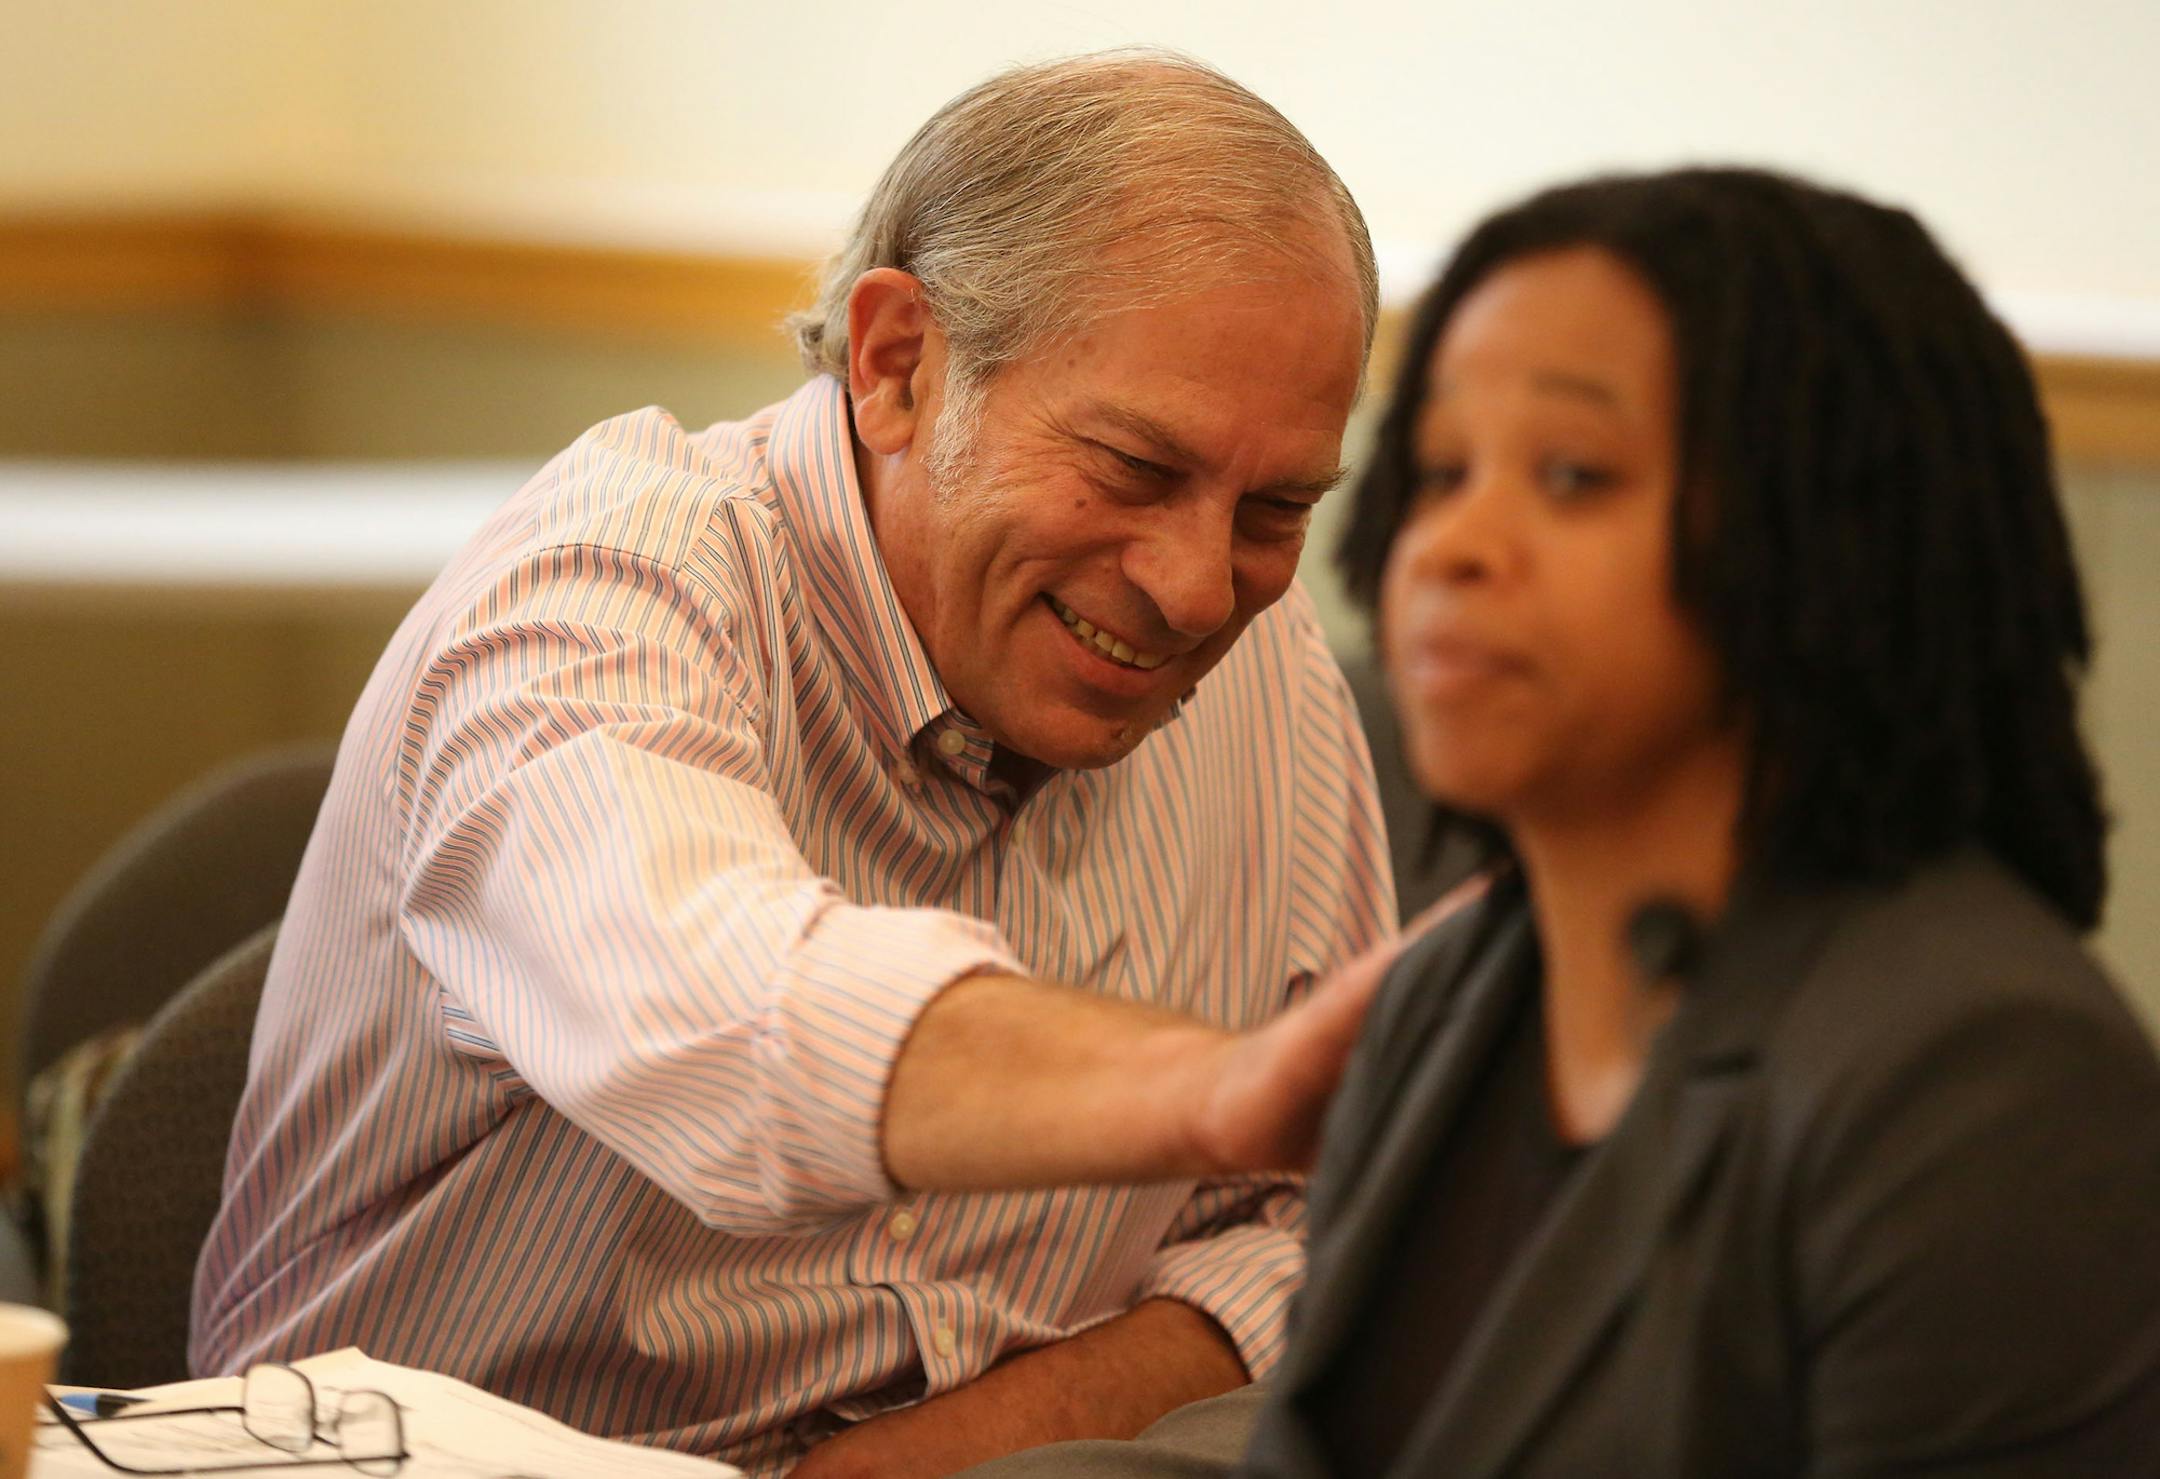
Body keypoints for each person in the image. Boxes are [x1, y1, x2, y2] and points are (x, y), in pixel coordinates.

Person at [190, 51, 1399, 1479]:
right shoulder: (596, 590)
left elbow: (1321, 1221)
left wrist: (951, 1450)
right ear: (898, 365)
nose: (1203, 590)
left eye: (1275, 509)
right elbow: (734, 1018)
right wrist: (1216, 1086)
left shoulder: (1263, 657)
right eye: (1134, 469)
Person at [959, 167, 2160, 1478]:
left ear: (1826, 536)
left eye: (1574, 475)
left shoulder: (1981, 1082)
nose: (1453, 546)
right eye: (1443, 471)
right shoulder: (1452, 1000)